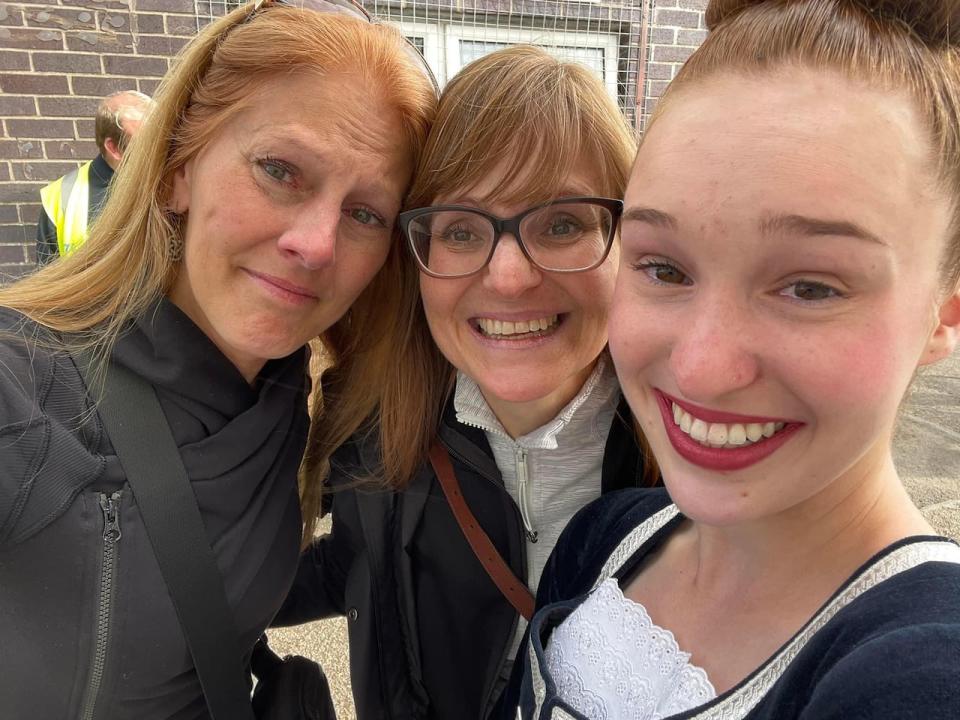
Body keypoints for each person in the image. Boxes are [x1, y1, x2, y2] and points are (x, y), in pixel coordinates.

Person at [517, 1, 960, 718]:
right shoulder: (604, 541)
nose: (701, 368)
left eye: (811, 286)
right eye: (663, 268)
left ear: (945, 313)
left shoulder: (920, 673)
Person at [0, 1, 436, 718]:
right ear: (177, 168)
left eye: (365, 214)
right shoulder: (25, 393)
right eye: (280, 170)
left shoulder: (299, 397)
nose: (317, 243)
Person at [275, 45, 657, 720]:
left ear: (630, 240)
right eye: (459, 229)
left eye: (562, 222)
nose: (508, 276)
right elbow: (357, 568)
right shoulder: (376, 431)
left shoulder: (699, 461)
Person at [36, 90, 154, 263]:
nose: (159, 149)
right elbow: (48, 282)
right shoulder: (61, 198)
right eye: (147, 142)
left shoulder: (173, 182)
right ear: (113, 148)